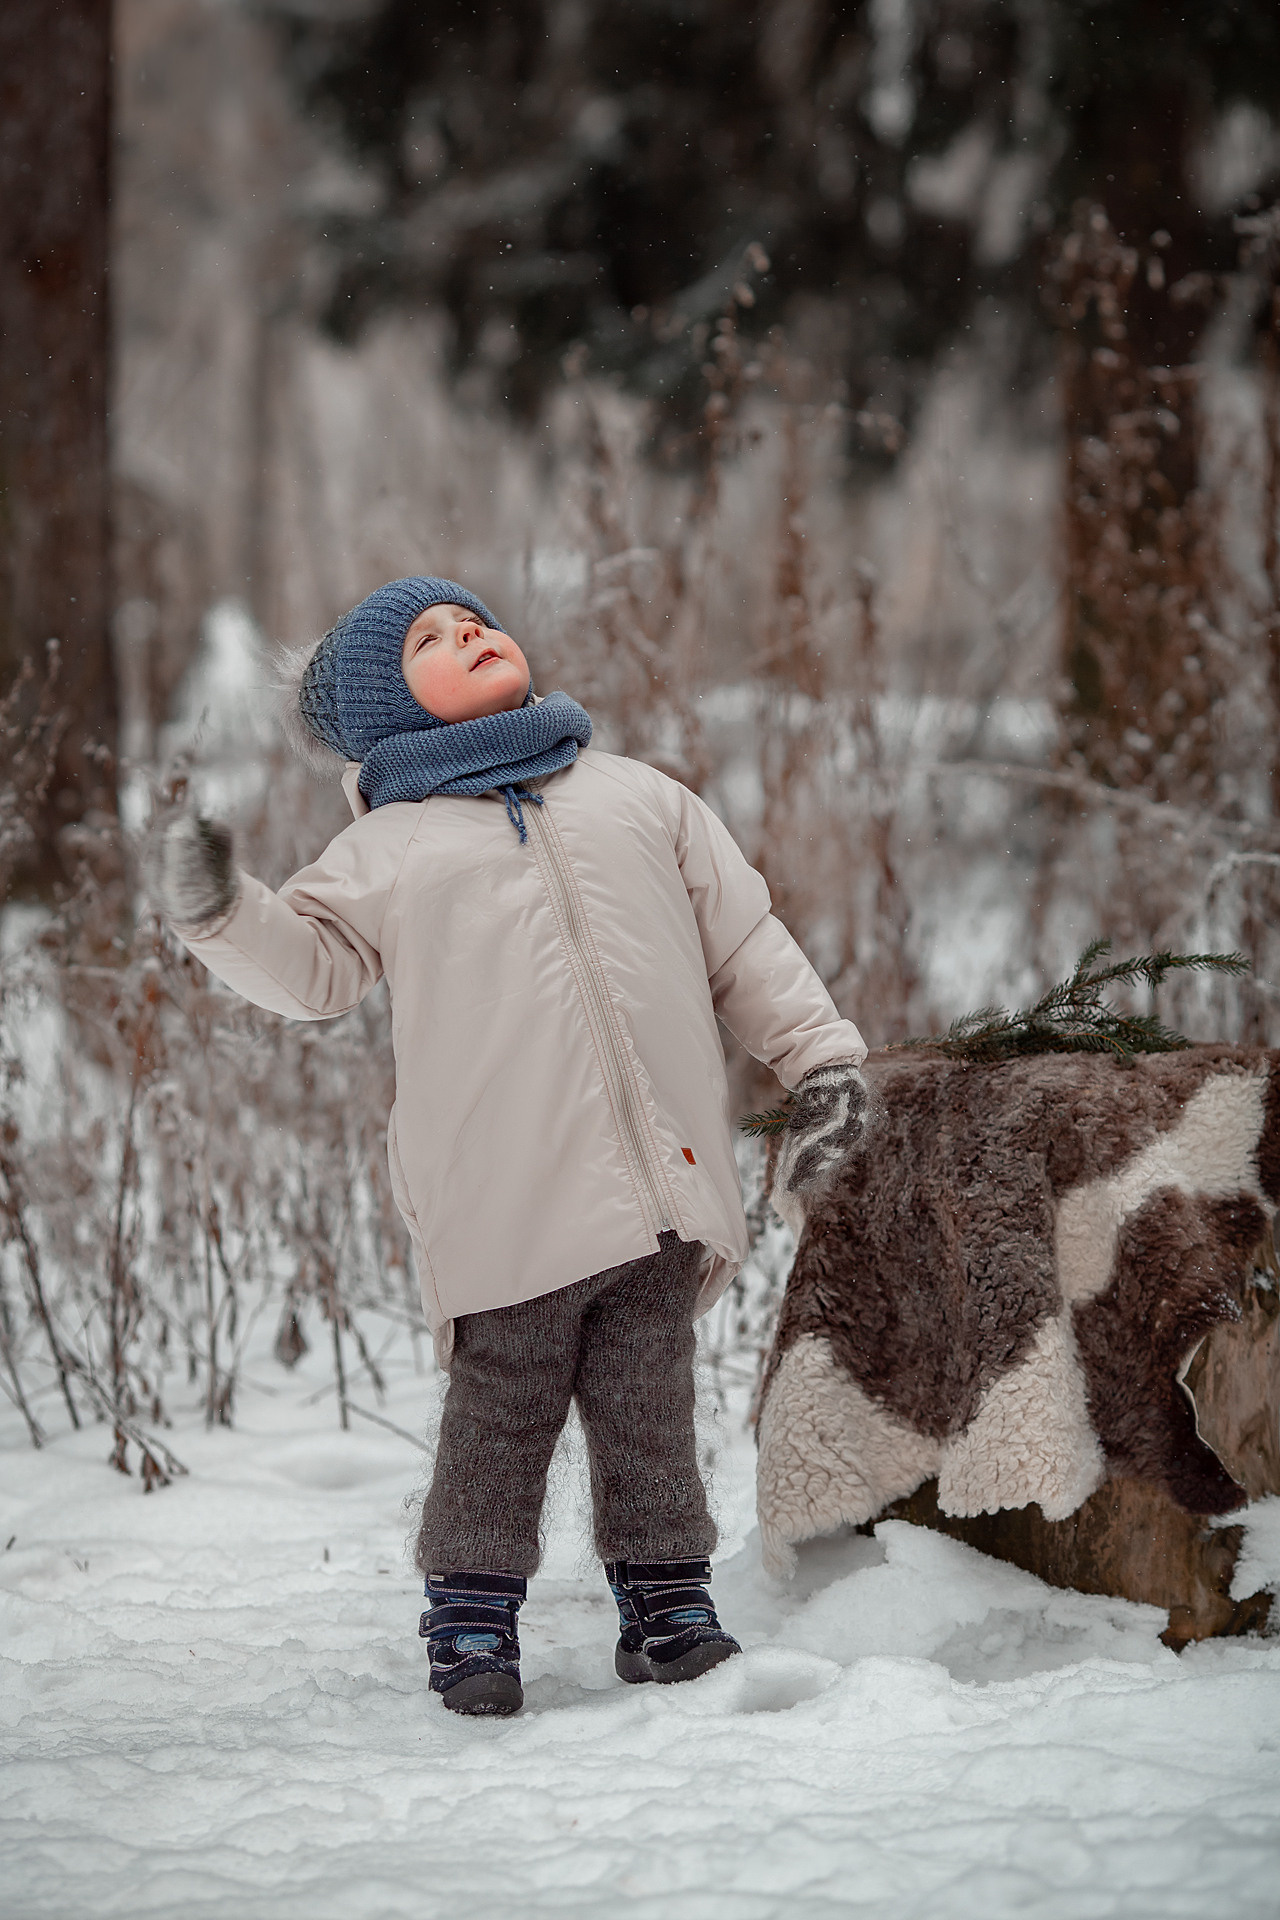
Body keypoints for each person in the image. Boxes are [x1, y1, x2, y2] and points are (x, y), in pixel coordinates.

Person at [149, 576, 871, 1717]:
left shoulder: (637, 795)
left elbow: (744, 942)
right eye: (429, 641)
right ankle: (471, 1615)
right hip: (501, 1193)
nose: (469, 634)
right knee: (501, 1412)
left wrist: (821, 1063)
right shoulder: (385, 847)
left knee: (648, 1402)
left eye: (470, 618)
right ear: (389, 714)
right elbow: (312, 964)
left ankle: (667, 1598)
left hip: (662, 1184)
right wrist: (221, 912)